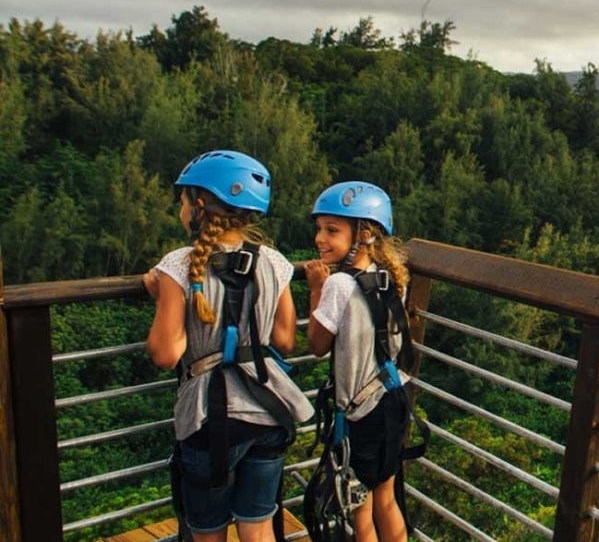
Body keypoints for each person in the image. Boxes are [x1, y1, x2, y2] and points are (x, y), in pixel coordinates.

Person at [143, 150, 314, 542]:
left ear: (199, 207)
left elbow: (165, 353)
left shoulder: (180, 265)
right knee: (258, 528)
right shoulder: (274, 261)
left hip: (209, 420)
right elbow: (285, 340)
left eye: (184, 201)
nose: (181, 209)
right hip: (269, 411)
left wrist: (163, 298)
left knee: (208, 533)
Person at [303, 181, 418, 542]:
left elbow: (317, 344)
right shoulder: (390, 278)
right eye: (320, 229)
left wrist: (316, 290)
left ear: (364, 235)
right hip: (392, 399)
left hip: (359, 413)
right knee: (387, 497)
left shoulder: (338, 285)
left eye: (332, 230)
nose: (320, 239)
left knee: (360, 506)